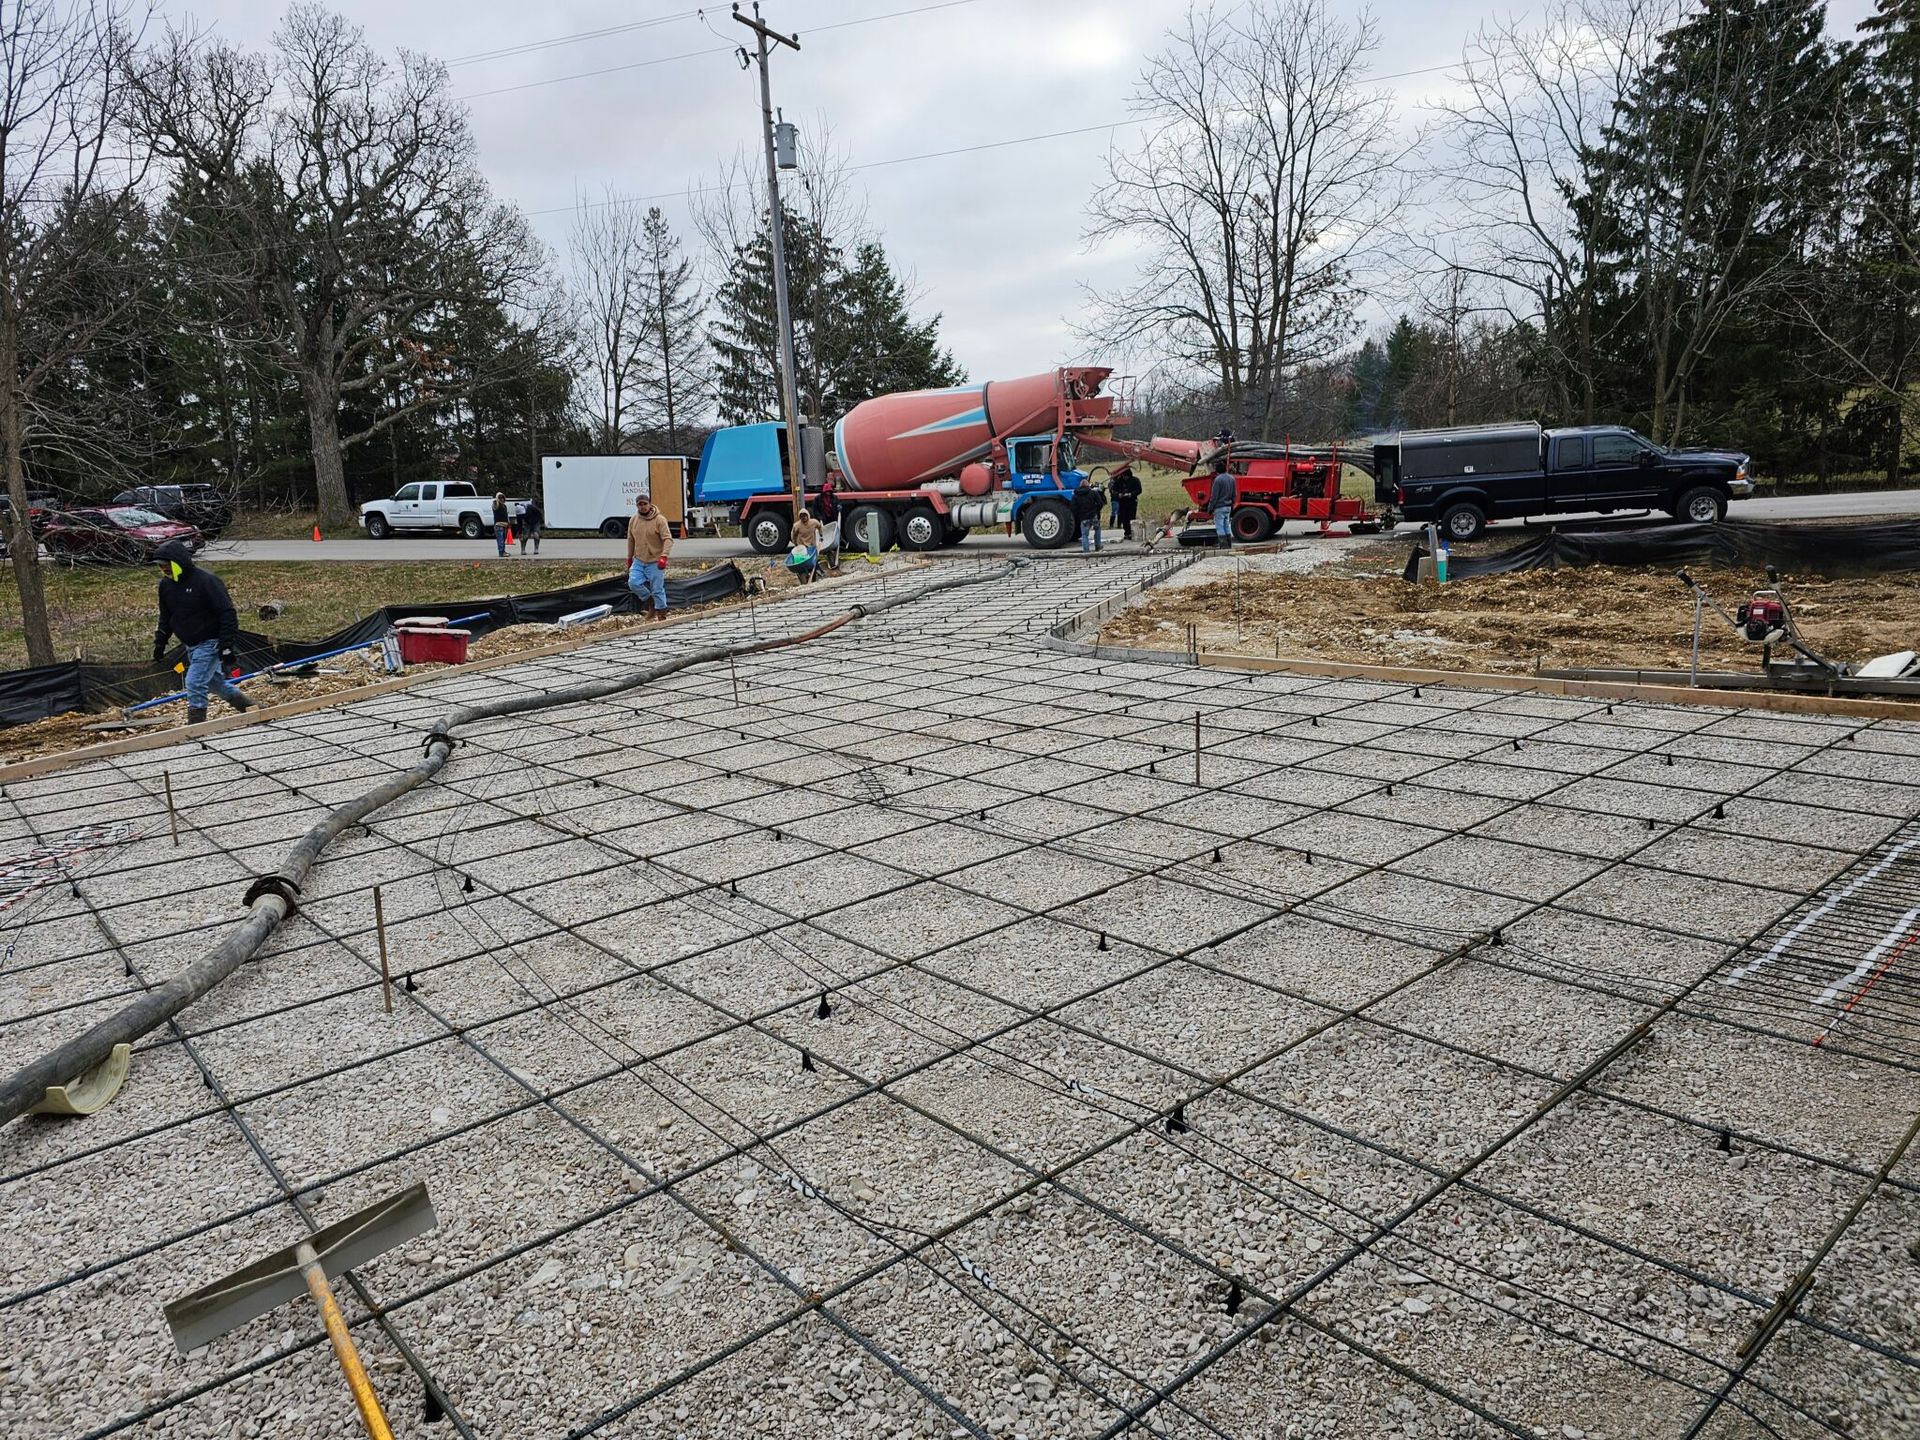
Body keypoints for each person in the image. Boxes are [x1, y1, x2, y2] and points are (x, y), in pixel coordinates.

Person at [151, 540, 252, 725]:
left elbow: (227, 612)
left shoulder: (206, 581)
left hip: (210, 642)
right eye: (161, 566)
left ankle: (197, 726)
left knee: (194, 682)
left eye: (167, 565)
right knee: (217, 685)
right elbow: (166, 616)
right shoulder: (166, 586)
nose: (164, 569)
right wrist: (160, 642)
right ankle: (253, 709)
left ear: (178, 562)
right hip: (191, 645)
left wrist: (227, 645)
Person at [626, 492, 673, 620]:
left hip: (655, 560)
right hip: (639, 559)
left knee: (657, 589)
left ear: (650, 504)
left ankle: (661, 614)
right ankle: (650, 603)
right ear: (636, 506)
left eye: (645, 504)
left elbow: (668, 539)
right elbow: (631, 540)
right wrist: (629, 558)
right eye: (639, 504)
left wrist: (664, 556)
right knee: (633, 583)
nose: (642, 507)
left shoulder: (659, 520)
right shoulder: (634, 520)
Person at [788, 508, 823, 583]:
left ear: (808, 515)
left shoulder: (813, 522)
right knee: (802, 562)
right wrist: (795, 543)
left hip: (812, 545)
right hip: (802, 547)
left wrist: (821, 534)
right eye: (801, 516)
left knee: (813, 560)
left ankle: (816, 571)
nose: (803, 518)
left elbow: (820, 526)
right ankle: (804, 576)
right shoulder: (797, 525)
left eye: (805, 516)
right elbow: (793, 535)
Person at [1071, 479, 1106, 553]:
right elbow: (1100, 503)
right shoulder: (1093, 493)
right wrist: (1096, 511)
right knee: (1097, 530)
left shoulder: (1075, 495)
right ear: (1088, 485)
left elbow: (1073, 508)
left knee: (1085, 535)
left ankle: (1086, 552)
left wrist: (1079, 516)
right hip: (1093, 516)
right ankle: (1098, 546)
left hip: (1084, 518)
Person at [1208, 458, 1236, 548]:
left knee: (1220, 527)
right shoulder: (1232, 478)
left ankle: (1223, 547)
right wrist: (1232, 504)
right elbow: (1234, 494)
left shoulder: (1217, 480)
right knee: (1227, 526)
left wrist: (1210, 508)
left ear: (1217, 470)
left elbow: (1214, 497)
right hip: (1228, 506)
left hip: (1219, 507)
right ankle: (1229, 545)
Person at [1111, 469, 1143, 540]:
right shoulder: (1119, 481)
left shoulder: (1135, 480)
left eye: (1126, 476)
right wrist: (1118, 494)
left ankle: (1132, 533)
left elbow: (1139, 490)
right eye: (1124, 476)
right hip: (1122, 502)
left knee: (1131, 517)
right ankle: (1126, 533)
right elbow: (1113, 490)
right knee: (1124, 518)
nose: (1125, 478)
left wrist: (1131, 494)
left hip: (1132, 502)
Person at [491, 492, 510, 557]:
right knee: (500, 540)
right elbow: (495, 507)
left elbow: (506, 515)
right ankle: (501, 552)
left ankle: (503, 551)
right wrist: (497, 499)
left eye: (502, 497)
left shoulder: (504, 506)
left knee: (503, 540)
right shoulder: (495, 504)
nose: (501, 499)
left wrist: (508, 523)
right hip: (498, 525)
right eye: (500, 497)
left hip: (505, 525)